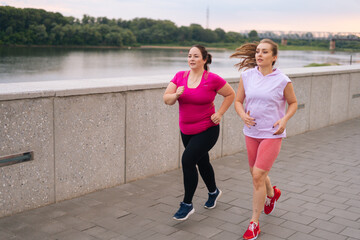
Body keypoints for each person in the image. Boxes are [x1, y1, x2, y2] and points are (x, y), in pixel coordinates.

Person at [231, 39, 297, 239]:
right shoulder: (247, 76)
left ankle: (254, 223)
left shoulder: (283, 80)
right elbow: (238, 101)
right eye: (258, 51)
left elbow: (293, 103)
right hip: (251, 132)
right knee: (255, 172)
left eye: (265, 52)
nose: (259, 55)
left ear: (274, 57)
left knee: (257, 175)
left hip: (272, 133)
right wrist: (242, 115)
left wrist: (284, 119)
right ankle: (272, 193)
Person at [163, 45, 235, 221]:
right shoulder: (180, 76)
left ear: (204, 59)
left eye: (196, 56)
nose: (191, 59)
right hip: (186, 130)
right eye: (189, 56)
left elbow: (230, 94)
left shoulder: (212, 79)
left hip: (207, 129)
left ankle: (187, 205)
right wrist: (176, 95)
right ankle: (214, 191)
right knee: (202, 162)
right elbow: (167, 99)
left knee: (187, 160)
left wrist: (219, 113)